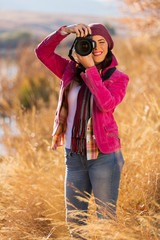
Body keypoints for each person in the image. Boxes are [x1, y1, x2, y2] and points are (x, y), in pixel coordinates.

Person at [35, 23, 129, 238]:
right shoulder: (68, 70)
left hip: (104, 157)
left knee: (106, 220)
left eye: (102, 42)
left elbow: (106, 104)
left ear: (109, 45)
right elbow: (42, 52)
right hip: (74, 156)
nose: (96, 47)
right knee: (75, 222)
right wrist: (63, 32)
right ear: (79, 46)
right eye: (90, 42)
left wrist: (91, 70)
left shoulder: (118, 77)